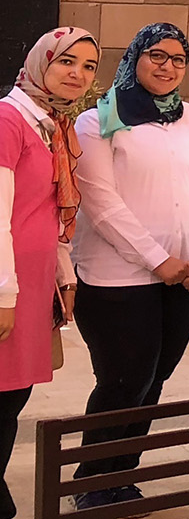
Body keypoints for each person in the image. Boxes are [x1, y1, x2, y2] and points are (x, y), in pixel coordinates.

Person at [69, 24, 189, 511]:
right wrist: (158, 262)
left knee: (153, 380)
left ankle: (121, 475)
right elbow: (102, 203)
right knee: (123, 381)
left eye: (179, 59)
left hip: (184, 278)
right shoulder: (98, 120)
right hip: (117, 277)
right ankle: (91, 482)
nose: (168, 66)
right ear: (135, 56)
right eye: (157, 55)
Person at [0, 28, 92, 519]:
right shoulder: (8, 118)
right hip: (7, 286)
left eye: (89, 66)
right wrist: (5, 294)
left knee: (13, 393)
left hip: (32, 284)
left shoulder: (52, 125)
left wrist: (64, 276)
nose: (77, 73)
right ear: (41, 64)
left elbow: (51, 213)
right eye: (66, 61)